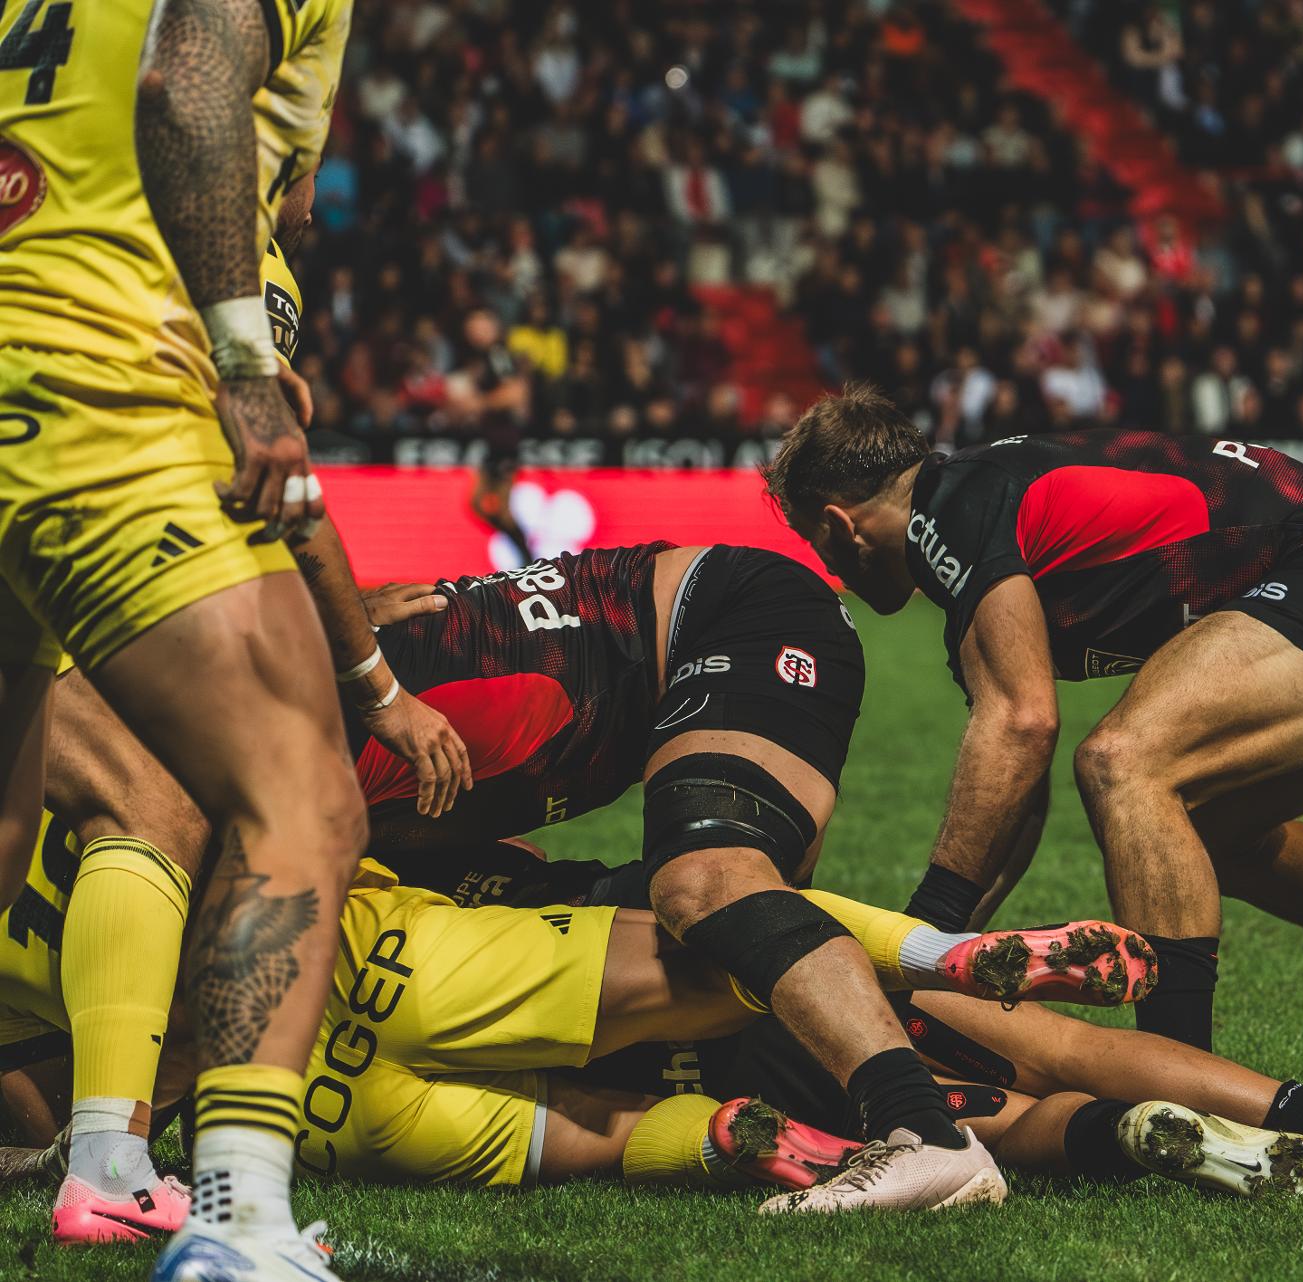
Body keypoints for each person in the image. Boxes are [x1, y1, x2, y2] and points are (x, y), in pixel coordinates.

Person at [0, 0, 481, 1274]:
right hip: (91, 392)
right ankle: (235, 1225)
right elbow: (190, 89)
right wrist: (245, 359)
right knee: (299, 797)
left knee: (10, 784)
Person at [763, 386, 1303, 1113]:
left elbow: (1022, 722)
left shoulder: (950, 508)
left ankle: (1183, 1089)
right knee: (1196, 836)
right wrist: (930, 959)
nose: (828, 567)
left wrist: (918, 937)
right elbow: (1016, 779)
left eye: (815, 543)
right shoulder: (968, 515)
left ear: (838, 523)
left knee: (1122, 762)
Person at [0, 815, 1154, 1219]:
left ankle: (723, 1138)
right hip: (368, 956)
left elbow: (27, 1093)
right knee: (720, 943)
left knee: (578, 1136)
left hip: (316, 1105)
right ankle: (941, 954)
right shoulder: (89, 752)